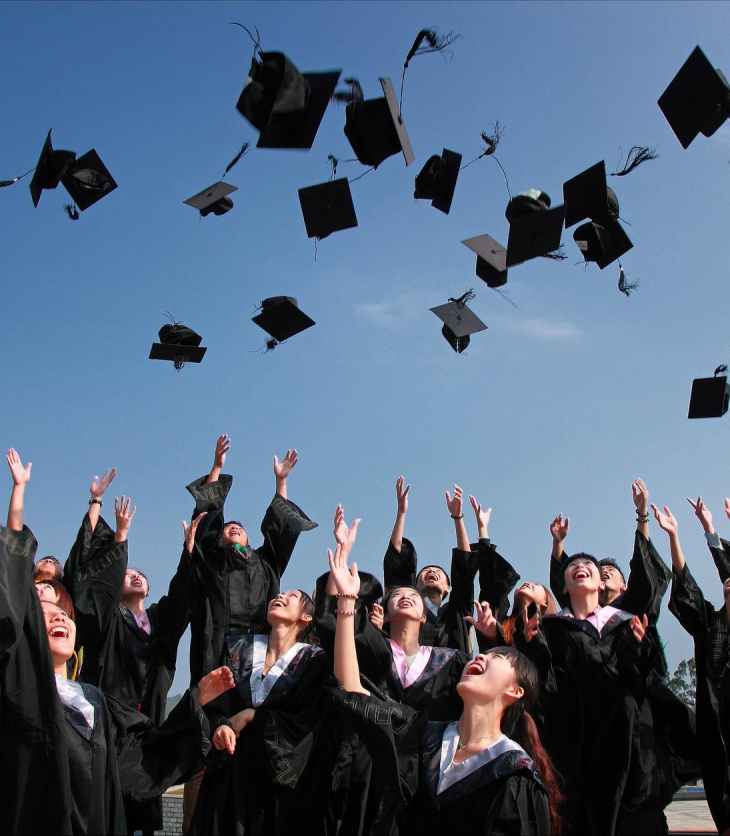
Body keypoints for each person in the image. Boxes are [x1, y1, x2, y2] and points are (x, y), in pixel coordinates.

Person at [328, 516, 559, 836]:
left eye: (497, 656)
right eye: (484, 653)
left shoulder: (516, 774)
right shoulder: (422, 735)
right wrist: (346, 602)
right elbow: (354, 692)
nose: (480, 656)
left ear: (516, 690)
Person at [63, 468, 199, 836]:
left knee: (140, 811)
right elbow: (93, 584)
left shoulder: (159, 621)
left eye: (142, 575)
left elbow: (182, 597)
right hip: (108, 721)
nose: (135, 575)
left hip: (146, 723)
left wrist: (188, 552)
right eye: (127, 573)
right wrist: (113, 527)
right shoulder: (108, 619)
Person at [517, 523, 661, 836]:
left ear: (599, 583)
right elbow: (546, 687)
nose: (580, 566)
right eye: (573, 566)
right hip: (572, 745)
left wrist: (638, 647)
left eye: (588, 565)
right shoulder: (551, 628)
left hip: (625, 741)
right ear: (563, 585)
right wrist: (534, 647)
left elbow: (641, 679)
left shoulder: (623, 622)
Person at [189, 586, 329, 836]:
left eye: (292, 596)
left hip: (277, 779)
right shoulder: (237, 649)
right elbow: (216, 703)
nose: (280, 596)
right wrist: (221, 725)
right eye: (279, 594)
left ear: (306, 617)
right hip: (229, 773)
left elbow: (307, 721)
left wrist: (255, 716)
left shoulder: (314, 661)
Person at [659, 500, 730, 836]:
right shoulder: (709, 626)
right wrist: (675, 536)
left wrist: (711, 530)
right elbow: (686, 586)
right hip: (718, 745)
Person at [382, 476, 476, 651]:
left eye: (438, 572)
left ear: (448, 588)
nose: (432, 572)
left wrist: (457, 518)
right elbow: (395, 561)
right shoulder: (406, 607)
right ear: (415, 585)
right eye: (425, 572)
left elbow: (465, 565)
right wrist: (401, 513)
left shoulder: (456, 612)